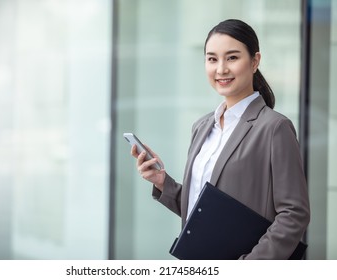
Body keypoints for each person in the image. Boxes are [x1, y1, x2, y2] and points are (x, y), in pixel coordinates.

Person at [130, 19, 310, 260]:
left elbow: (294, 214)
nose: (221, 69)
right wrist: (163, 182)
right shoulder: (202, 127)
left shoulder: (275, 128)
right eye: (212, 59)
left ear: (255, 61)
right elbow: (205, 210)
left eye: (232, 58)